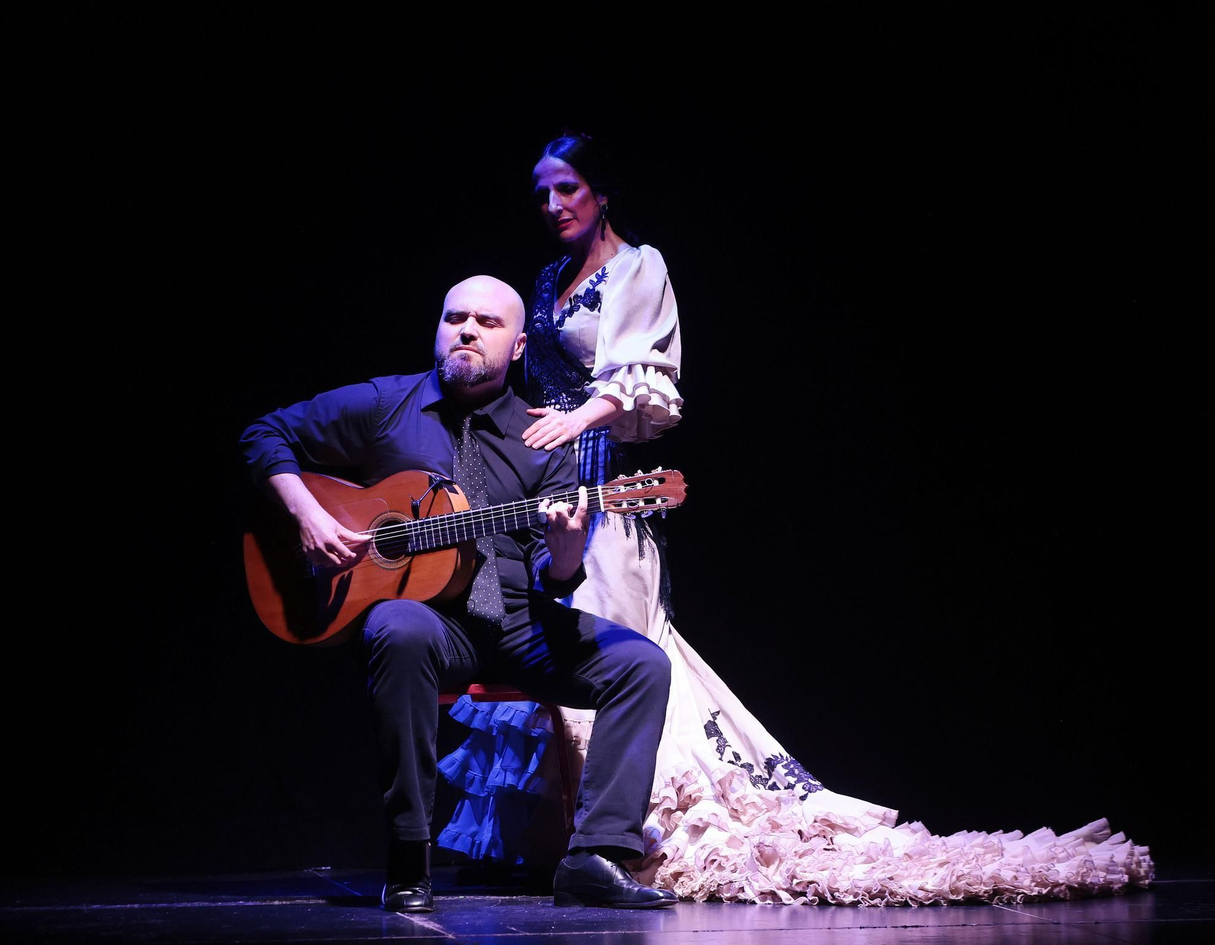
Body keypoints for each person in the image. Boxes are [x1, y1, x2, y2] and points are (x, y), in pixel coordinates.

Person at [433, 135, 1154, 904]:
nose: (554, 206)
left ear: (601, 191)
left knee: (611, 650)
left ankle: (625, 836)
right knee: (541, 651)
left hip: (606, 490)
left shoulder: (639, 267)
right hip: (534, 492)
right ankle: (551, 840)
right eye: (542, 193)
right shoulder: (543, 281)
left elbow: (644, 380)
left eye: (568, 189)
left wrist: (577, 422)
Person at [240, 275, 679, 913]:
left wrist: (562, 559)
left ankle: (597, 855)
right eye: (455, 318)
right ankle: (409, 854)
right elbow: (264, 434)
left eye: (488, 323)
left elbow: (550, 578)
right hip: (430, 625)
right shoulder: (384, 404)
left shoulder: (543, 437)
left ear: (521, 345)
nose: (467, 330)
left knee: (641, 665)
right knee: (398, 624)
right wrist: (306, 512)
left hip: (518, 624)